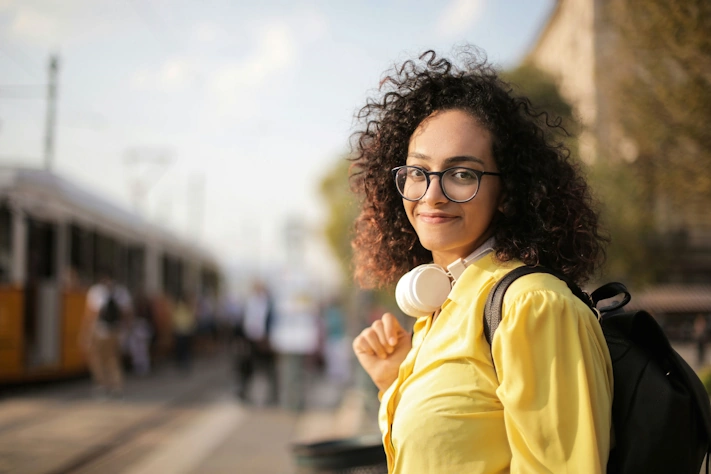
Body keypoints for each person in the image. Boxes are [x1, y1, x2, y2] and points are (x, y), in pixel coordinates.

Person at [350, 48, 613, 473]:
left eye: (461, 174)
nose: (431, 195)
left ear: (507, 193)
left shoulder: (533, 307)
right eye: (418, 172)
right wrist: (394, 383)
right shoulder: (442, 310)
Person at [79, 270, 132, 397]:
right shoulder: (121, 292)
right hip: (115, 330)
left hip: (99, 330)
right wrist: (126, 331)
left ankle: (102, 385)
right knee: (113, 359)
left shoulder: (96, 291)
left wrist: (85, 333)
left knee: (97, 359)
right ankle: (116, 386)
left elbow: (91, 314)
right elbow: (127, 313)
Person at [237, 280, 279, 405]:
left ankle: (272, 396)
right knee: (248, 368)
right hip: (252, 340)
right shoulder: (250, 302)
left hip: (265, 341)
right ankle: (245, 392)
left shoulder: (269, 303)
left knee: (268, 369)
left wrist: (267, 337)